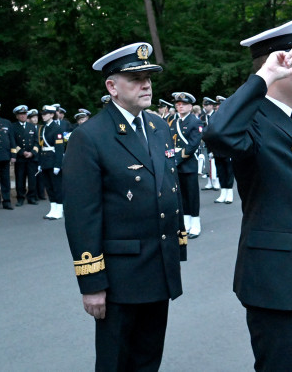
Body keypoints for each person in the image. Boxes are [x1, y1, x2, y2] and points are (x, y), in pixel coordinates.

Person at [203, 16, 292, 371]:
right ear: (276, 65)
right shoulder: (253, 120)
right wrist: (261, 79)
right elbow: (217, 134)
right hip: (274, 280)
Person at [63, 42, 186, 371]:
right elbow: (82, 217)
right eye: (135, 77)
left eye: (148, 77)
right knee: (116, 362)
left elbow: (169, 189)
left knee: (148, 359)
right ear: (112, 87)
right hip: (120, 279)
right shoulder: (90, 136)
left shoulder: (159, 127)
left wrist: (178, 247)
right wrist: (92, 283)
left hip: (158, 268)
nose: (146, 84)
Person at [170, 92, 203, 238]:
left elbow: (193, 145)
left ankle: (196, 224)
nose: (180, 106)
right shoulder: (173, 122)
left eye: (183, 104)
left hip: (188, 163)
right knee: (181, 195)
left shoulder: (195, 122)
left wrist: (177, 158)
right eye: (177, 104)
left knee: (192, 195)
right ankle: (186, 223)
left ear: (190, 106)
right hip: (177, 164)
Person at [38, 105, 65, 220]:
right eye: (43, 114)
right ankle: (52, 208)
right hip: (45, 161)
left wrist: (58, 164)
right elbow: (40, 147)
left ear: (52, 115)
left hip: (53, 160)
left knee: (57, 187)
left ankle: (59, 209)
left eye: (46, 114)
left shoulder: (57, 128)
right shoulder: (42, 128)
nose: (43, 116)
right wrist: (40, 163)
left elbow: (59, 148)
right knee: (48, 187)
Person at [12, 105, 39, 206]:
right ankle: (20, 198)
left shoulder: (32, 126)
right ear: (17, 116)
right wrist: (22, 152)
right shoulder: (13, 127)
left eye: (24, 114)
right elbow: (13, 142)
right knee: (20, 179)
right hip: (20, 158)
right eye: (20, 114)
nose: (23, 116)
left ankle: (31, 197)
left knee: (32, 179)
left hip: (31, 158)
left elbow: (36, 142)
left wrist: (32, 152)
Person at [213, 95, 235, 205]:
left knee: (229, 172)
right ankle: (223, 192)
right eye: (216, 105)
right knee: (220, 172)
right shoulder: (213, 117)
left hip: (228, 149)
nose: (217, 107)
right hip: (217, 150)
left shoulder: (231, 117)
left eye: (219, 105)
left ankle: (229, 192)